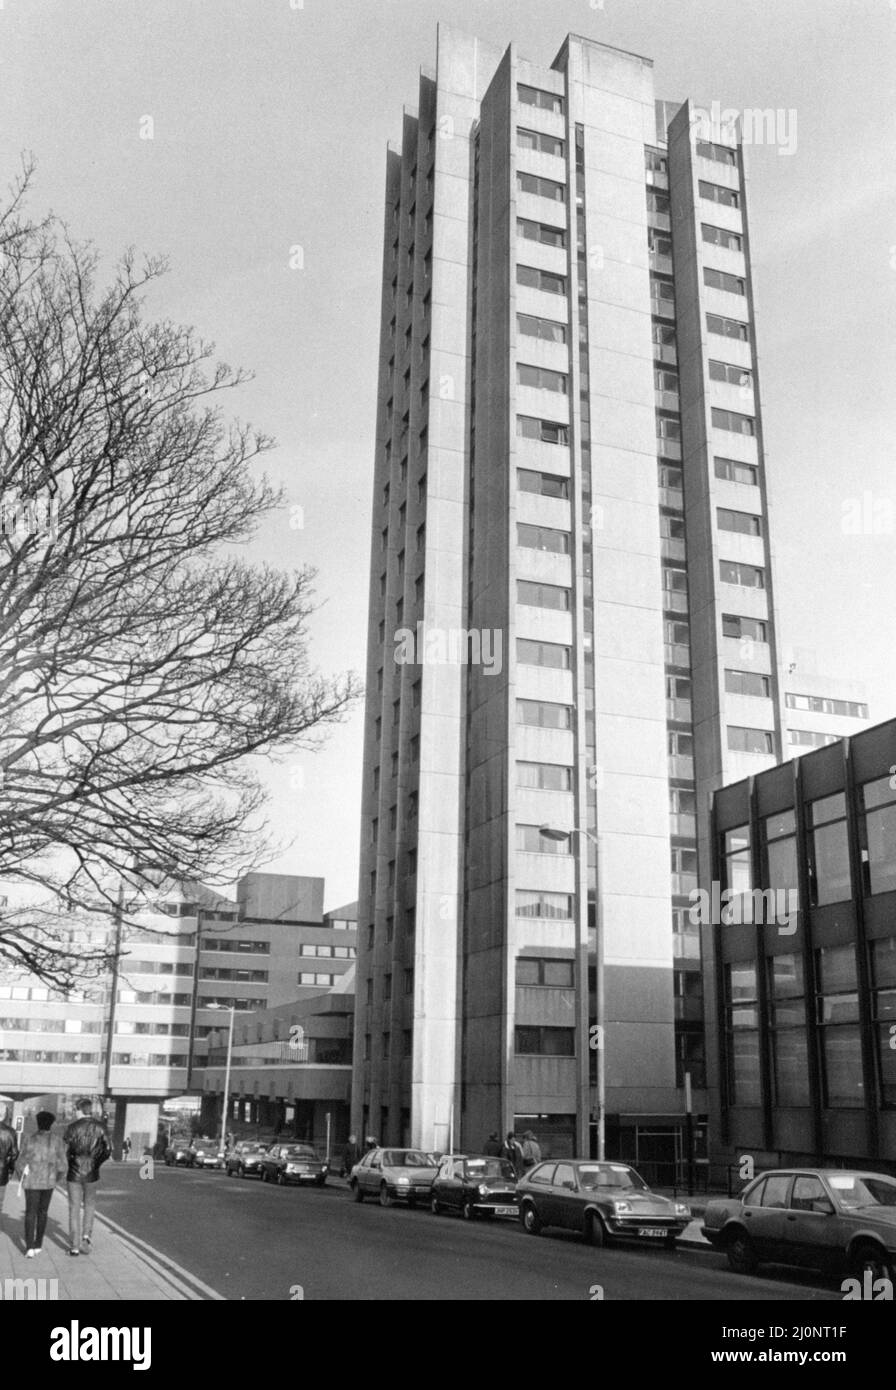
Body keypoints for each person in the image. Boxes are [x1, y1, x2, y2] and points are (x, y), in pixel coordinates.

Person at [15, 1111, 67, 1257]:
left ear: (38, 1122)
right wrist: (55, 1179)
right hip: (48, 1182)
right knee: (43, 1213)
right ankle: (39, 1244)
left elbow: (19, 1163)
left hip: (31, 1182)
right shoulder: (57, 1141)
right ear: (51, 1123)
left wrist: (23, 1177)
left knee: (30, 1213)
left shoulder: (28, 1139)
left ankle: (29, 1247)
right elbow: (63, 1166)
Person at [63, 1097, 111, 1256]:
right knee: (90, 1205)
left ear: (79, 1110)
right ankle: (86, 1237)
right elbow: (108, 1150)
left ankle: (74, 1246)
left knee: (74, 1208)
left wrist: (70, 1162)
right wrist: (96, 1163)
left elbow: (65, 1151)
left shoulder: (71, 1128)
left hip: (74, 1173)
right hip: (92, 1173)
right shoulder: (101, 1127)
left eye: (75, 1110)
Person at [0, 1105, 18, 1220]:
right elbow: (14, 1154)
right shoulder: (10, 1132)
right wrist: (10, 1170)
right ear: (5, 1114)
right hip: (2, 1172)